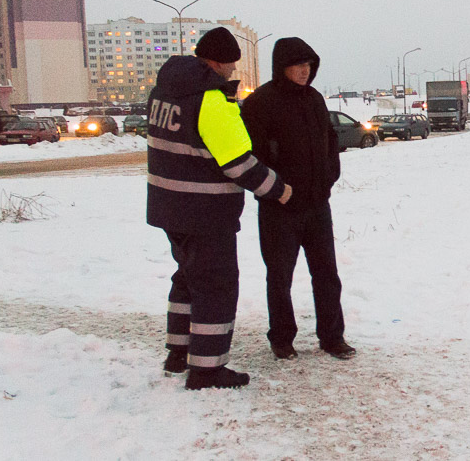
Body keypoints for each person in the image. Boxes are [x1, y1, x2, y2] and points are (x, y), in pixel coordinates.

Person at [146, 27, 293, 391]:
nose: (231, 72)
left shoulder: (165, 90)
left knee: (187, 279)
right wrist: (279, 190)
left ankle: (178, 353)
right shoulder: (211, 100)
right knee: (216, 286)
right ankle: (207, 370)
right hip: (205, 211)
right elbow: (238, 164)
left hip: (169, 206)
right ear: (216, 61)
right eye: (229, 65)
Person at [241, 37, 355, 361]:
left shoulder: (315, 99)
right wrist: (277, 189)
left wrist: (330, 176)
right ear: (282, 67)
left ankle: (332, 337)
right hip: (280, 208)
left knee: (327, 275)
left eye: (309, 66)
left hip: (317, 205)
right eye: (298, 66)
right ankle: (282, 338)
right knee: (280, 277)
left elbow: (330, 141)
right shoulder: (260, 103)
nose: (305, 72)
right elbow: (252, 155)